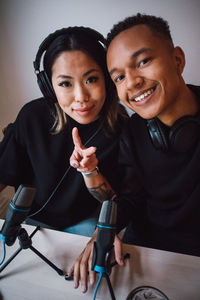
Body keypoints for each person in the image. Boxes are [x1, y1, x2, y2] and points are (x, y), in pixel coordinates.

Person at [68, 13, 200, 293]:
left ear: (177, 60)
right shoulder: (132, 132)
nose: (133, 82)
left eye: (142, 62)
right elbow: (130, 199)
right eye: (119, 77)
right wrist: (103, 231)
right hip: (145, 256)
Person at [0, 26, 128, 237]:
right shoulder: (32, 116)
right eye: (65, 83)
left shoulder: (121, 126)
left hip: (85, 224)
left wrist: (90, 171)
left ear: (107, 78)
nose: (81, 96)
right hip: (31, 221)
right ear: (49, 86)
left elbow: (116, 202)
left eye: (91, 79)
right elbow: (4, 171)